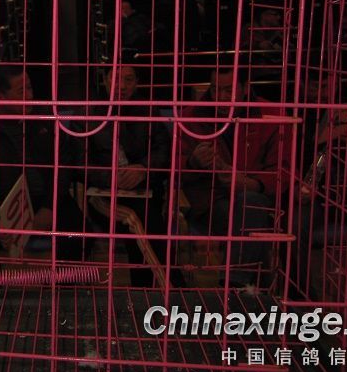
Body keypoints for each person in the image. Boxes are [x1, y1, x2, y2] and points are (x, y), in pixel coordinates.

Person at [179, 61, 293, 286]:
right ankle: (247, 287)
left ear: (245, 87)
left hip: (261, 199)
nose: (220, 97)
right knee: (255, 218)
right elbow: (172, 168)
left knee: (252, 205)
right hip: (212, 201)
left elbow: (284, 171)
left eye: (228, 90)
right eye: (215, 89)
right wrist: (192, 162)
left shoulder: (273, 115)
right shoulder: (192, 116)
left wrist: (249, 182)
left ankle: (235, 285)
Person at [0, 66, 86, 271]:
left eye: (29, 87)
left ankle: (64, 285)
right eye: (21, 91)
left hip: (47, 198)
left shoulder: (46, 118)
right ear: (0, 98)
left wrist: (49, 207)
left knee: (77, 230)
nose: (29, 96)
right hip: (3, 205)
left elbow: (64, 165)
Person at [87, 64, 175, 286]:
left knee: (148, 220)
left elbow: (164, 151)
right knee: (139, 223)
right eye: (116, 79)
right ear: (105, 80)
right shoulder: (90, 111)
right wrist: (111, 177)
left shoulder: (148, 110)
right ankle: (169, 286)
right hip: (103, 196)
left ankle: (148, 289)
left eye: (128, 80)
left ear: (136, 84)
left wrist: (143, 169)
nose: (122, 86)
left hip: (144, 191)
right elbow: (79, 163)